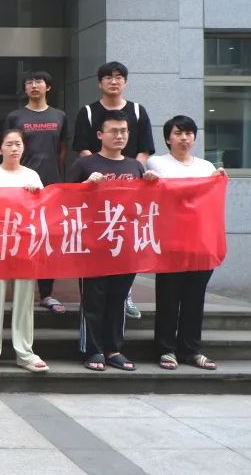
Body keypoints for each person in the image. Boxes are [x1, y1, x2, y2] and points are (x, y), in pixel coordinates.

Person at [67, 109, 159, 372]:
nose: (120, 136)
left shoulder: (135, 166)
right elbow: (65, 201)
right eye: (114, 131)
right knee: (93, 300)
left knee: (118, 299)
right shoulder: (85, 165)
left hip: (125, 244)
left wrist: (151, 185)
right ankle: (93, 350)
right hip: (93, 245)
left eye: (124, 131)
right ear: (100, 135)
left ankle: (114, 349)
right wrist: (85, 186)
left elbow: (144, 207)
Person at [72, 61, 155, 319]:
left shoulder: (138, 111)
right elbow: (83, 149)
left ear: (125, 82)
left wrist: (130, 176)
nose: (113, 81)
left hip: (128, 195)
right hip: (98, 198)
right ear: (100, 83)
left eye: (119, 77)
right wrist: (103, 172)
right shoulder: (88, 112)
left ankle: (126, 296)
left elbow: (144, 150)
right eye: (108, 77)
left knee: (125, 247)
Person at [148, 115, 227, 371]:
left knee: (195, 299)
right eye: (178, 133)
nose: (184, 138)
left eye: (189, 133)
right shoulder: (157, 163)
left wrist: (216, 180)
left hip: (200, 242)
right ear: (167, 139)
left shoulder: (206, 167)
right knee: (168, 298)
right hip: (171, 242)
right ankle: (166, 349)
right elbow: (170, 193)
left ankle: (190, 350)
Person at [0, 129, 49, 373]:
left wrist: (35, 196)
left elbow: (42, 209)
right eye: (9, 144)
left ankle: (25, 352)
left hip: (24, 242)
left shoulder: (32, 176)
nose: (14, 148)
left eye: (18, 144)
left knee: (25, 299)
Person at [3, 71, 69, 315]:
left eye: (38, 81)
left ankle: (47, 293)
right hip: (20, 185)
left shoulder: (59, 116)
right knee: (19, 237)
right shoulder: (15, 116)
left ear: (48, 87)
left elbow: (63, 149)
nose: (34, 85)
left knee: (46, 239)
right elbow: (9, 145)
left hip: (49, 187)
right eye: (29, 82)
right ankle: (20, 293)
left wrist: (53, 174)